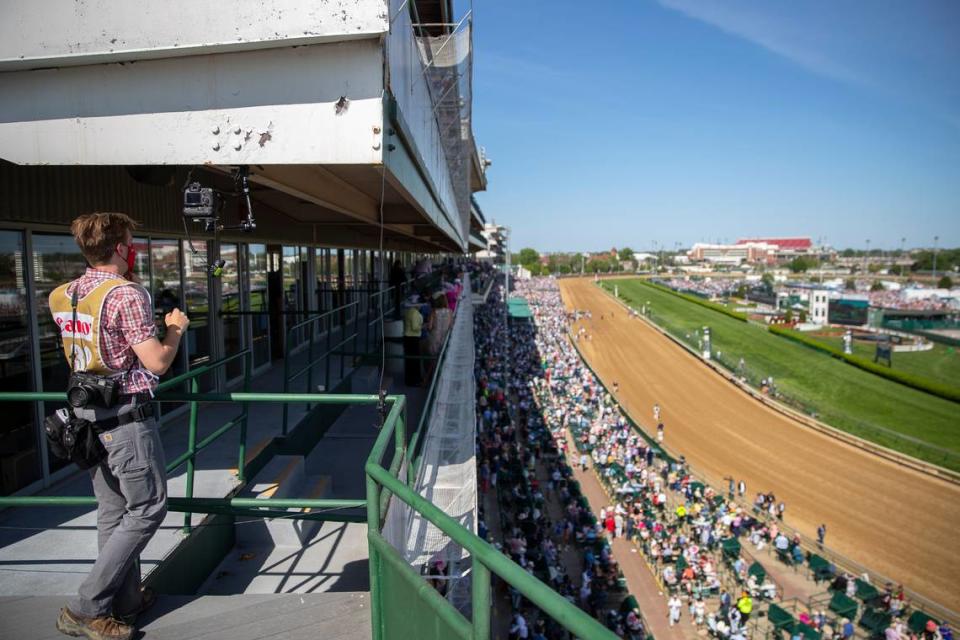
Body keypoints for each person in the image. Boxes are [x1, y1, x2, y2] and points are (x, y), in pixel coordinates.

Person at [53, 213, 189, 640]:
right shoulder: (127, 294)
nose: (134, 249)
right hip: (126, 418)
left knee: (112, 513)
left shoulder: (65, 294)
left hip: (87, 416)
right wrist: (175, 331)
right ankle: (86, 607)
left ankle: (124, 601)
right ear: (118, 248)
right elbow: (156, 363)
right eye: (130, 242)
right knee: (148, 507)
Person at [403, 296, 424, 385]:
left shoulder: (408, 312)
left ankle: (410, 380)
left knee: (410, 361)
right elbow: (415, 327)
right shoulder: (415, 313)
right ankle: (415, 380)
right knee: (414, 360)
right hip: (413, 338)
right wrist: (423, 326)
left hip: (408, 338)